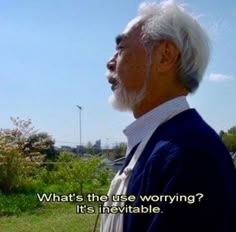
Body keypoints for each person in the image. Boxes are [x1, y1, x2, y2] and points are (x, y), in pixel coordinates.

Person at [100, 1, 236, 232]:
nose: (110, 62)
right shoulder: (161, 141)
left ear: (165, 56)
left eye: (121, 48)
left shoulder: (189, 155)